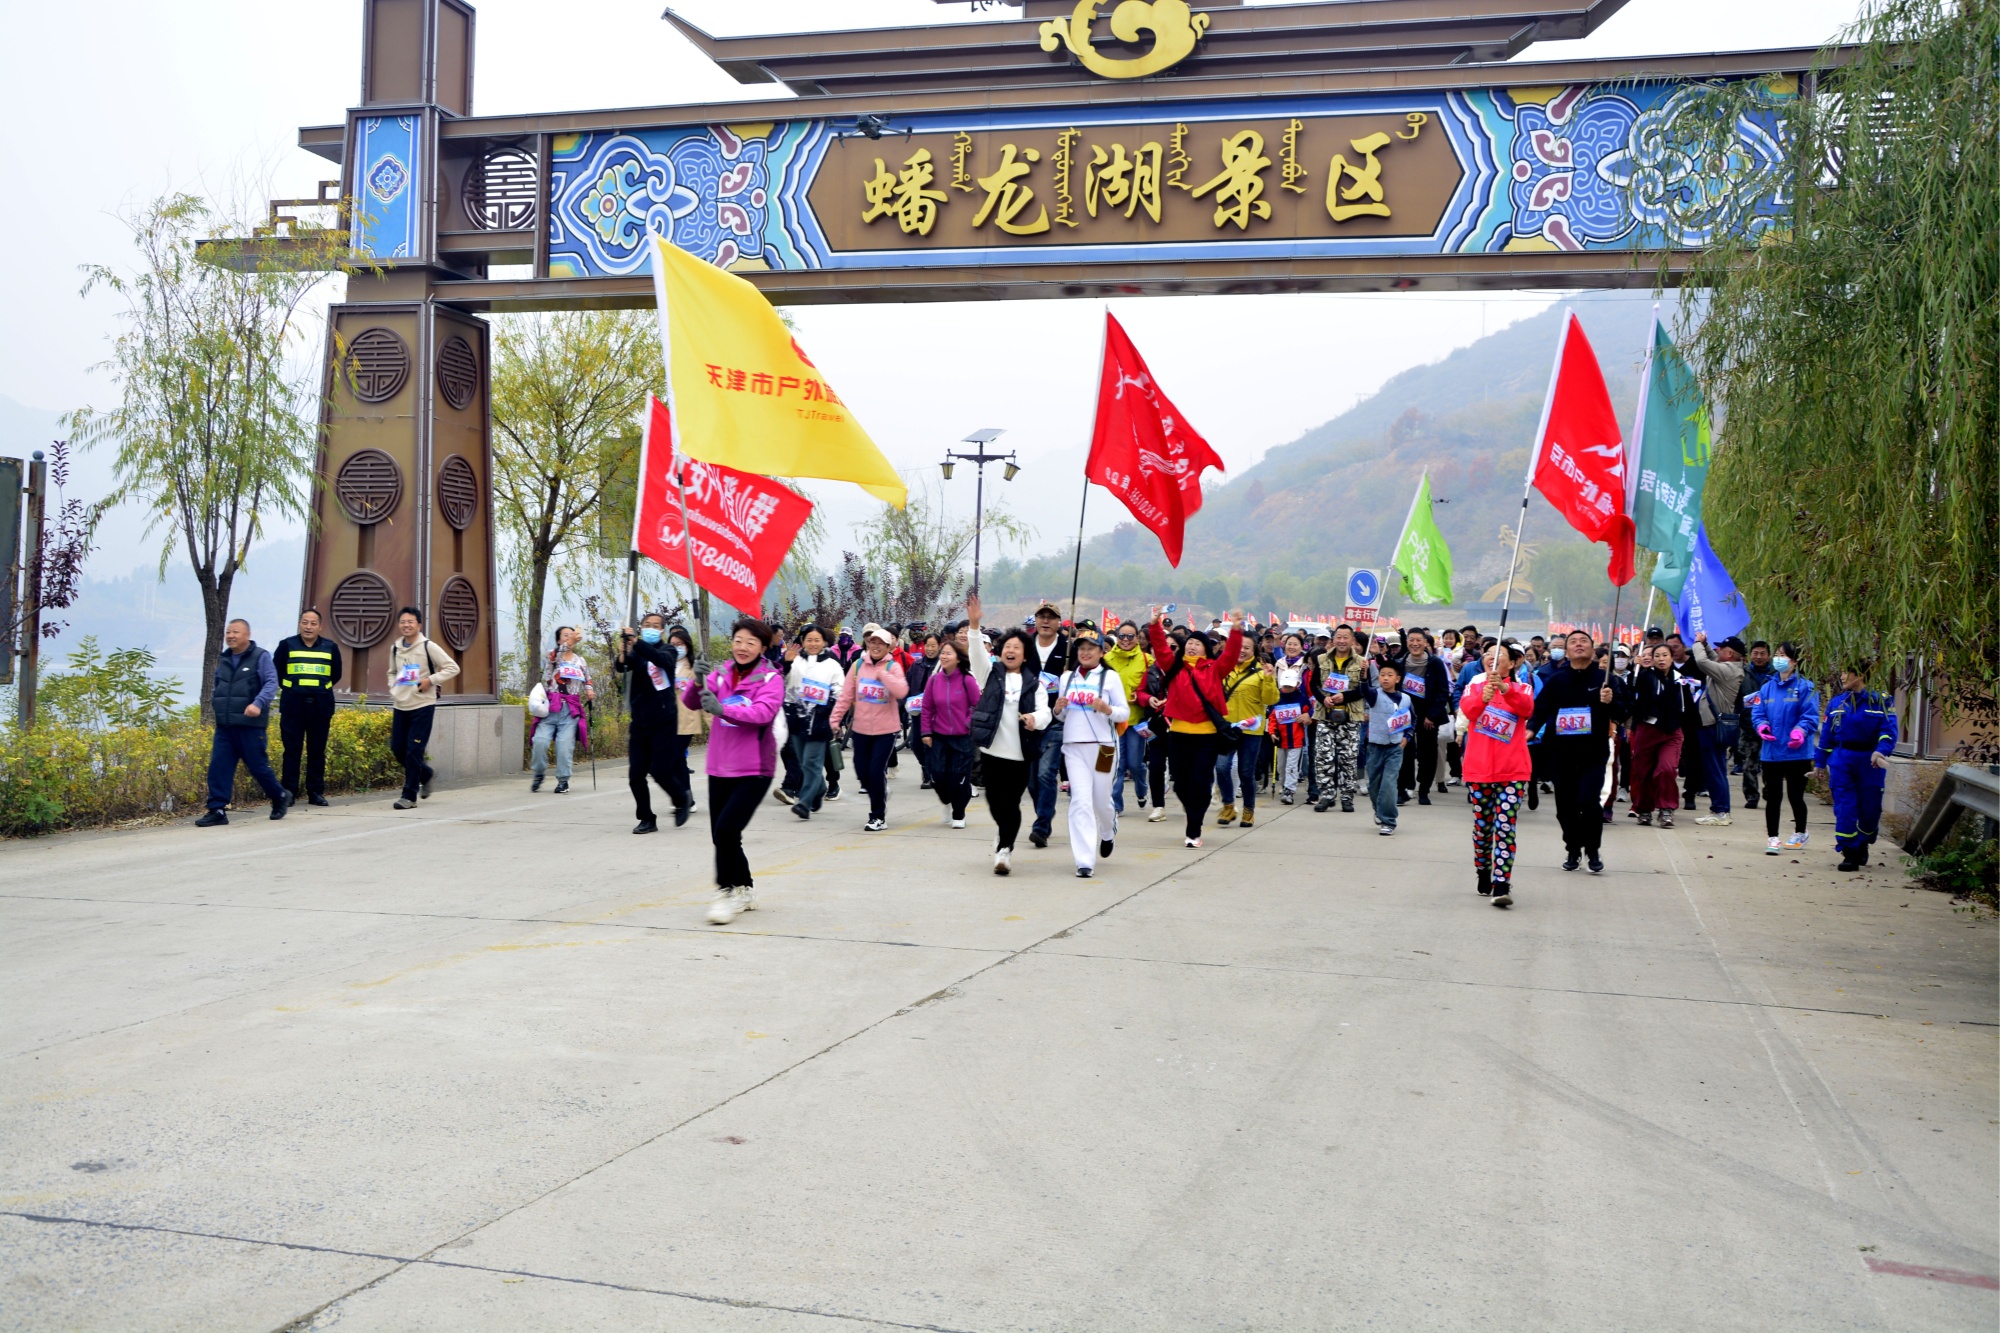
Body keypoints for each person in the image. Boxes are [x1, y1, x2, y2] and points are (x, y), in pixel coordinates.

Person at [687, 617, 785, 924]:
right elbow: (691, 702)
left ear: (763, 647)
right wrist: (698, 680)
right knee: (723, 836)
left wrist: (722, 708)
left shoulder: (771, 679)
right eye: (738, 640)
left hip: (755, 767)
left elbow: (762, 713)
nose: (742, 647)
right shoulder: (719, 673)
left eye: (751, 643)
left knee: (727, 830)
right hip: (719, 765)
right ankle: (745, 889)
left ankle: (725, 890)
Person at [1527, 629, 1629, 873]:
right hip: (1561, 752)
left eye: (1584, 641)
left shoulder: (1606, 680)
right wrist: (1530, 730)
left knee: (1589, 800)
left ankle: (1592, 850)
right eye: (1573, 642)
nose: (1578, 645)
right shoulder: (1557, 680)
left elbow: (1624, 713)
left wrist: (1610, 701)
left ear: (1593, 650)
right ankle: (1573, 848)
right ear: (1567, 651)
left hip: (1593, 752)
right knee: (1566, 805)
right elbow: (1540, 709)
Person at [966, 596, 1051, 874]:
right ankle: (1004, 833)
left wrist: (1033, 719)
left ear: (1025, 655)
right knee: (994, 801)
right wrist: (975, 625)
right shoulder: (989, 673)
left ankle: (1005, 850)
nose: (1011, 651)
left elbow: (1045, 713)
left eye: (1017, 647)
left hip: (1019, 754)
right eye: (1007, 647)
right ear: (1001, 651)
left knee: (1011, 803)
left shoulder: (1033, 683)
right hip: (992, 751)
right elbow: (977, 653)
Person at [1146, 608, 1245, 849]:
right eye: (1189, 642)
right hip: (1178, 735)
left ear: (1206, 649)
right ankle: (1194, 810)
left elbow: (1231, 655)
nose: (1191, 646)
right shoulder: (1174, 667)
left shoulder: (1214, 669)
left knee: (1200, 783)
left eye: (1197, 644)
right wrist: (1154, 625)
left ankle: (1194, 829)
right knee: (1180, 784)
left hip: (1206, 738)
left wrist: (1237, 630)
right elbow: (1160, 649)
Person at [1460, 643, 1535, 907]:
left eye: (1499, 655)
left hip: (1512, 770)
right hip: (1479, 769)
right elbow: (1467, 711)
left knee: (1505, 826)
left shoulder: (1522, 687)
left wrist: (1505, 690)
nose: (1492, 658)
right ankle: (1483, 868)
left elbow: (1527, 709)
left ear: (1512, 663)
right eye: (1488, 655)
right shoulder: (1474, 687)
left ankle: (1501, 883)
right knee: (1483, 827)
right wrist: (1484, 697)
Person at [194, 618, 290, 827]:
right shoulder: (225, 659)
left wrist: (258, 703)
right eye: (228, 632)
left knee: (258, 767)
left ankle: (280, 795)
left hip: (250, 725)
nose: (231, 636)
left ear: (247, 635)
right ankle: (217, 810)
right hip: (225, 726)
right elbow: (218, 686)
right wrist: (216, 705)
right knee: (219, 767)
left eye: (235, 632)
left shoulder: (260, 657)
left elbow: (271, 683)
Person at [1051, 628, 1129, 878]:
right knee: (1080, 801)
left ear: (1100, 651)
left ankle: (1107, 832)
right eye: (1081, 648)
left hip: (1104, 748)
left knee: (1101, 800)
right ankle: (1084, 860)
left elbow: (1124, 713)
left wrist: (1107, 709)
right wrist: (1057, 709)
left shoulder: (1110, 678)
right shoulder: (1067, 678)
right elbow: (1062, 716)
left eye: (1091, 648)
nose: (1085, 653)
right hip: (1074, 748)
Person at [616, 612, 693, 834]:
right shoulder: (637, 652)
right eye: (646, 624)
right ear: (640, 627)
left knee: (660, 771)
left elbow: (663, 661)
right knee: (636, 774)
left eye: (655, 625)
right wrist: (623, 653)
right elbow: (622, 666)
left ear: (662, 630)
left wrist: (637, 643)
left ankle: (681, 798)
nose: (650, 627)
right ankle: (647, 818)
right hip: (640, 722)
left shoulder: (667, 650)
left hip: (664, 721)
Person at [1817, 666, 1899, 871]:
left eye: (1846, 672)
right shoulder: (1837, 703)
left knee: (1870, 808)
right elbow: (1827, 735)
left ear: (1860, 675)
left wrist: (1881, 751)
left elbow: (1888, 729)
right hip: (1842, 759)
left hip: (1870, 761)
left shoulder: (1881, 700)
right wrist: (1820, 763)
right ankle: (1849, 851)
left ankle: (1864, 840)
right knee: (1845, 806)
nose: (1842, 676)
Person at [830, 623, 908, 831]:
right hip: (861, 730)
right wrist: (835, 720)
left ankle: (877, 817)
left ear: (889, 646)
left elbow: (901, 691)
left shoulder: (893, 667)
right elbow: (846, 696)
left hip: (886, 731)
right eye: (872, 641)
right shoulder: (857, 667)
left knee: (875, 772)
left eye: (880, 643)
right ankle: (880, 791)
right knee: (862, 773)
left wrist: (883, 675)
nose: (875, 646)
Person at [385, 607, 459, 810]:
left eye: (410, 621)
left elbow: (453, 667)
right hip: (401, 705)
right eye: (403, 622)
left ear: (419, 625)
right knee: (398, 749)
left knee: (414, 751)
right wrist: (393, 687)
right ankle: (425, 774)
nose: (406, 625)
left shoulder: (428, 646)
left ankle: (409, 796)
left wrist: (430, 680)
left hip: (422, 706)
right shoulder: (396, 648)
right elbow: (392, 672)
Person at [1751, 643, 1821, 854]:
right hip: (1772, 752)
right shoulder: (1766, 687)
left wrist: (1800, 732)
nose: (1778, 659)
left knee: (1795, 795)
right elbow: (1758, 712)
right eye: (1777, 655)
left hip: (1797, 752)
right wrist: (1762, 727)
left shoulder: (1806, 687)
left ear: (1794, 661)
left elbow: (1810, 716)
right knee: (1772, 797)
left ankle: (1800, 831)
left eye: (1783, 656)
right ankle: (1773, 838)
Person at [272, 608, 343, 807]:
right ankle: (289, 792)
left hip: (320, 706)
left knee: (317, 751)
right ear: (299, 624)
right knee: (292, 750)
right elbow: (276, 671)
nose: (308, 627)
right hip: (293, 705)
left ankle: (316, 792)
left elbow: (336, 674)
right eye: (305, 622)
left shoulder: (331, 647)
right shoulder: (286, 645)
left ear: (320, 626)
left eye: (313, 623)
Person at [779, 625, 844, 820]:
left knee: (811, 763)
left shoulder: (832, 664)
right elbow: (782, 681)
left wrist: (830, 711)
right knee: (803, 762)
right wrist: (786, 663)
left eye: (817, 640)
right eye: (809, 640)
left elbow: (839, 690)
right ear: (803, 642)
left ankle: (804, 803)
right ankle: (820, 788)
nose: (813, 644)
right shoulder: (796, 660)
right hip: (796, 718)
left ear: (824, 642)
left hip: (820, 720)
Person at [920, 639, 983, 829]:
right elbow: (927, 708)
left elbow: (978, 706)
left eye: (949, 653)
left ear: (958, 658)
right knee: (937, 777)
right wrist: (926, 732)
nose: (944, 656)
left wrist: (967, 721)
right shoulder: (934, 680)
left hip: (962, 737)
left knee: (958, 779)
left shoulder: (967, 680)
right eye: (943, 653)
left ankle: (959, 813)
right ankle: (946, 801)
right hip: (939, 736)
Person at [1216, 634, 1278, 828]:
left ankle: (1248, 810)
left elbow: (1271, 700)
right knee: (1221, 767)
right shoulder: (1223, 669)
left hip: (1251, 730)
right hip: (1227, 728)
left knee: (1245, 772)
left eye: (1247, 648)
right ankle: (1228, 806)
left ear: (1254, 651)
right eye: (1239, 647)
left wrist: (1269, 680)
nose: (1242, 651)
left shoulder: (1262, 672)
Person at [1023, 601, 1071, 849]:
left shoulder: (1068, 649)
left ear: (1059, 622)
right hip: (1029, 720)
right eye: (1041, 616)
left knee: (1046, 774)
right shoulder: (1025, 646)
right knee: (1032, 781)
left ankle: (1041, 826)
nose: (1045, 621)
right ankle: (1045, 813)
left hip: (1056, 721)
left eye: (1050, 617)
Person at [1684, 632, 1744, 826]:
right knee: (1714, 768)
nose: (1718, 651)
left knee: (1714, 769)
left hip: (1712, 726)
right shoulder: (1728, 666)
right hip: (1710, 725)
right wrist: (1706, 643)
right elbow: (1711, 657)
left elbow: (1702, 662)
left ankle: (1720, 811)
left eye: (1722, 650)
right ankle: (1720, 809)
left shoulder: (1729, 670)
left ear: (1731, 654)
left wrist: (1697, 643)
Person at [1629, 644, 1689, 828]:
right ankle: (1644, 809)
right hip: (1647, 729)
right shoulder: (1645, 676)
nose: (1661, 659)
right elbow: (1633, 690)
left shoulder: (1680, 680)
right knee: (1643, 771)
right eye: (1657, 656)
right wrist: (1635, 668)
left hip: (1671, 732)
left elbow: (1688, 708)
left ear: (1672, 657)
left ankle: (1666, 809)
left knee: (1666, 769)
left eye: (1665, 655)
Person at [530, 626, 594, 795]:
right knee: (540, 741)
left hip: (570, 709)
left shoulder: (580, 661)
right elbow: (556, 654)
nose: (569, 638)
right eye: (566, 636)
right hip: (551, 707)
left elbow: (587, 679)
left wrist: (589, 690)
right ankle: (539, 772)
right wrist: (569, 642)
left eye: (572, 635)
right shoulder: (553, 656)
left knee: (564, 745)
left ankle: (563, 780)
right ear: (559, 640)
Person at [1313, 625, 1367, 813]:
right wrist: (1323, 699)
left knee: (1348, 759)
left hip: (1350, 717)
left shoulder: (1362, 662)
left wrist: (1345, 697)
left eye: (1346, 637)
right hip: (1326, 716)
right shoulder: (1321, 659)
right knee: (1323, 757)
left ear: (1352, 640)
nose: (1342, 641)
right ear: (1333, 639)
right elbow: (1313, 684)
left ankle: (1346, 797)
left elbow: (1364, 689)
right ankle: (1327, 796)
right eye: (1339, 637)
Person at [1396, 628, 1452, 806]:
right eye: (1411, 640)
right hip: (1405, 716)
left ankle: (1424, 790)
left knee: (1427, 755)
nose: (1415, 644)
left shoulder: (1435, 663)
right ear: (1407, 643)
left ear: (1425, 643)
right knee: (1403, 753)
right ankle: (1403, 789)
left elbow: (1443, 691)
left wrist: (1432, 715)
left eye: (1418, 640)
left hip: (1428, 717)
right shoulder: (1400, 662)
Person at [1357, 662, 1413, 834]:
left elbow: (1412, 720)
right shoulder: (1374, 695)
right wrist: (1363, 676)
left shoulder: (1406, 699)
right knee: (1373, 785)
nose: (1385, 678)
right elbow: (1364, 690)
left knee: (1388, 784)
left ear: (1397, 679)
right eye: (1382, 675)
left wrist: (1407, 737)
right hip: (1375, 746)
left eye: (1390, 675)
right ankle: (1379, 810)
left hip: (1395, 748)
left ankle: (1388, 820)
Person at [1104, 621, 1152, 816]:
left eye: (1130, 636)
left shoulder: (1147, 659)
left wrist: (1141, 696)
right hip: (1112, 720)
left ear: (1137, 639)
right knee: (1117, 764)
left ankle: (1142, 789)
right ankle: (1116, 804)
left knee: (1135, 763)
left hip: (1135, 720)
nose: (1125, 640)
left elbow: (1154, 686)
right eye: (1122, 636)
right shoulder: (1106, 659)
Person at [1267, 632, 1314, 805]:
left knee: (1292, 765)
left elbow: (1312, 709)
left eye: (1296, 644)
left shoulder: (1302, 697)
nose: (1287, 687)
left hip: (1296, 738)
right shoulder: (1277, 697)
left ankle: (1289, 789)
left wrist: (1308, 716)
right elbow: (1272, 717)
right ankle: (1283, 784)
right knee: (1281, 766)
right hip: (1281, 738)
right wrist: (1271, 732)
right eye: (1289, 643)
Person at [671, 626, 706, 806]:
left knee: (677, 756)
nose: (676, 647)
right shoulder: (662, 666)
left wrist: (714, 723)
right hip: (668, 720)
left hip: (687, 719)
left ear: (687, 646)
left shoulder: (694, 669)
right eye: (673, 644)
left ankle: (686, 798)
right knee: (673, 760)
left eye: (680, 644)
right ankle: (681, 796)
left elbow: (705, 696)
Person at [1738, 641, 1775, 809]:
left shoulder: (1776, 674)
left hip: (1772, 726)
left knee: (1769, 763)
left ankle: (1770, 791)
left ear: (1769, 655)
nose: (1759, 657)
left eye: (1762, 653)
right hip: (1748, 725)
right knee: (1749, 763)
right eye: (1755, 653)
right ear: (1750, 655)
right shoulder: (1743, 673)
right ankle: (1751, 796)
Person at [904, 631, 940, 789]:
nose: (930, 649)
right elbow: (908, 684)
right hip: (918, 711)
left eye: (933, 646)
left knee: (933, 744)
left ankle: (931, 774)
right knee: (915, 743)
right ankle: (926, 768)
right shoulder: (916, 665)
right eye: (928, 645)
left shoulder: (942, 665)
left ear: (939, 646)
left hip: (938, 713)